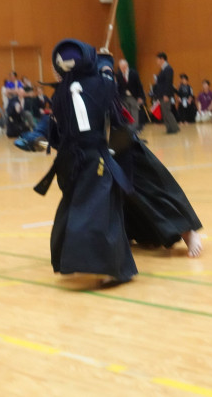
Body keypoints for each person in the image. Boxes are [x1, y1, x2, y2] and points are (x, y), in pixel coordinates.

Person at [34, 38, 137, 286]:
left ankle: (68, 261)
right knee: (101, 210)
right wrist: (105, 61)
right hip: (95, 157)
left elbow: (59, 129)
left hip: (71, 160)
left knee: (73, 207)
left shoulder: (60, 94)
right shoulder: (101, 85)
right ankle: (108, 269)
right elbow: (111, 88)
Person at [153, 52, 179, 133]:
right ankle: (169, 128)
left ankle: (174, 128)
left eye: (157, 59)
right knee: (164, 112)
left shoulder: (168, 69)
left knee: (167, 111)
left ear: (162, 59)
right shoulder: (163, 69)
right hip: (161, 94)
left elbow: (168, 83)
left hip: (165, 95)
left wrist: (166, 94)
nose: (156, 61)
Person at [116, 59, 145, 129]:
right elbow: (118, 87)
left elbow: (139, 85)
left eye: (124, 67)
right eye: (121, 67)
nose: (123, 69)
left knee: (134, 111)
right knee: (127, 113)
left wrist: (141, 97)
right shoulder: (118, 74)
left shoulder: (133, 73)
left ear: (127, 66)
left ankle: (135, 128)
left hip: (133, 96)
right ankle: (129, 129)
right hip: (123, 97)